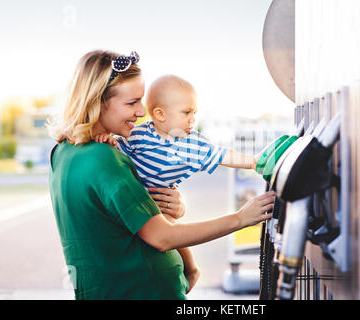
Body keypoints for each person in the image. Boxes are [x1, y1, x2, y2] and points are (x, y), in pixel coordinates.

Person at [47, 49, 274, 300]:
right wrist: (241, 219)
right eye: (132, 103)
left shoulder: (64, 152)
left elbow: (123, 214)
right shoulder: (103, 158)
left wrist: (173, 204)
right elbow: (162, 237)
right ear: (97, 101)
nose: (142, 112)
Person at [94, 74, 264, 290]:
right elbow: (120, 149)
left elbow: (222, 155)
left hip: (157, 202)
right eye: (186, 113)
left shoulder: (192, 144)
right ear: (159, 114)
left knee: (167, 229)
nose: (193, 119)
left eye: (194, 112)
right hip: (136, 197)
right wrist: (108, 139)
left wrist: (252, 163)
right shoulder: (139, 134)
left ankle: (191, 270)